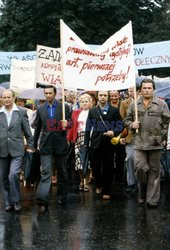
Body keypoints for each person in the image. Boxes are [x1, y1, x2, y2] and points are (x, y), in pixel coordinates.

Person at [124, 79, 170, 207]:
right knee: (140, 168)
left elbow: (166, 123)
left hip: (156, 143)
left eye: (149, 88)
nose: (147, 90)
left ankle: (152, 200)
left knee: (155, 171)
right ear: (140, 90)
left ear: (153, 89)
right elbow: (126, 120)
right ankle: (142, 192)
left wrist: (163, 137)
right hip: (139, 143)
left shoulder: (161, 104)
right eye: (144, 88)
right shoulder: (134, 105)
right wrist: (132, 124)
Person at [34, 85, 72, 213]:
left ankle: (62, 195)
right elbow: (38, 128)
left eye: (50, 93)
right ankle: (42, 200)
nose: (48, 95)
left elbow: (71, 124)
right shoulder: (40, 108)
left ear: (55, 94)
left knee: (62, 172)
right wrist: (33, 144)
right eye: (46, 93)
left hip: (60, 143)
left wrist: (68, 124)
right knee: (46, 173)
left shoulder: (64, 107)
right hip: (46, 145)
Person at [84, 90, 123, 200]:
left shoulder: (114, 110)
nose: (103, 97)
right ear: (97, 97)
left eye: (105, 95)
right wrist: (86, 143)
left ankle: (107, 190)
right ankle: (99, 184)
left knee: (108, 168)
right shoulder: (92, 111)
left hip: (109, 144)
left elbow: (120, 126)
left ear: (108, 97)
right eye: (101, 95)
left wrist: (113, 132)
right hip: (95, 143)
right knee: (95, 167)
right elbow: (88, 128)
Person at [0, 89, 34, 212]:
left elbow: (28, 132)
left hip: (17, 149)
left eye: (9, 97)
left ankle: (16, 200)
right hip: (2, 149)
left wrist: (30, 146)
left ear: (13, 98)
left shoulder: (21, 112)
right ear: (1, 99)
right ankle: (8, 202)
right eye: (4, 97)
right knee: (3, 177)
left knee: (13, 174)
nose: (6, 100)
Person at [67, 94, 92, 192]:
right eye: (82, 102)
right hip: (78, 138)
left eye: (86, 101)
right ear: (79, 103)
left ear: (90, 103)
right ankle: (82, 180)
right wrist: (69, 139)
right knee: (79, 161)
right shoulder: (75, 112)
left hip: (90, 137)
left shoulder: (93, 112)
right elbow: (72, 127)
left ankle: (86, 182)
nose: (84, 103)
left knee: (88, 161)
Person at [120, 87, 138, 193]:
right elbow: (121, 120)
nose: (132, 93)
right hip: (130, 136)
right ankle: (131, 183)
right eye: (130, 91)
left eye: (134, 90)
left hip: (144, 137)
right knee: (130, 158)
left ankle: (141, 183)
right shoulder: (124, 103)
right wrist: (122, 136)